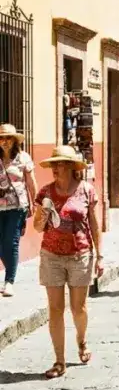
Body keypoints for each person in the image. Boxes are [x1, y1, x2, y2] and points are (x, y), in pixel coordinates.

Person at [32, 146, 102, 378]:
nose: (55, 168)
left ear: (72, 167)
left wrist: (99, 255)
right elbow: (37, 227)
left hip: (80, 255)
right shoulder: (45, 193)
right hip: (51, 254)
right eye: (53, 164)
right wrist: (42, 217)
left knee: (78, 308)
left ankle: (81, 341)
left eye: (60, 163)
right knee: (55, 308)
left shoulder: (86, 191)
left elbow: (93, 224)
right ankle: (59, 360)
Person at [0, 124, 36, 295]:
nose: (4, 141)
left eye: (8, 138)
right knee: (1, 244)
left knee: (11, 241)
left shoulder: (23, 158)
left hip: (17, 206)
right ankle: (11, 270)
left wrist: (36, 202)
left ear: (14, 140)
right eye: (1, 138)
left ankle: (9, 281)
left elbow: (30, 182)